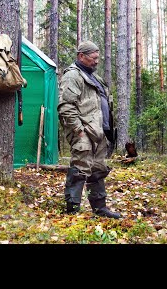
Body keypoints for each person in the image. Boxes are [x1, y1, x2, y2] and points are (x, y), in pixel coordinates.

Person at [58, 40, 121, 219]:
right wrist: (79, 131)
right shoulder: (72, 76)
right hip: (84, 131)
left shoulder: (95, 78)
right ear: (81, 56)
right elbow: (66, 107)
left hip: (99, 132)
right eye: (93, 58)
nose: (96, 61)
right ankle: (72, 211)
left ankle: (100, 209)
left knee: (98, 170)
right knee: (79, 169)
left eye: (98, 58)